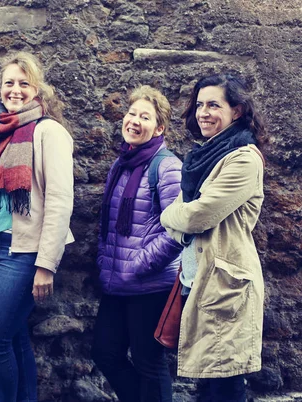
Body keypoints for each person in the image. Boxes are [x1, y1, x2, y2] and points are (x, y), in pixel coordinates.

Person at [0, 52, 74, 402]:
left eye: (24, 83)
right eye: (9, 83)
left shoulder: (48, 132)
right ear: (0, 88)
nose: (15, 90)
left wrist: (46, 265)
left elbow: (59, 201)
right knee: (14, 336)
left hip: (23, 253)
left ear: (37, 89)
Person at [160, 74, 265, 402]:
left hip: (226, 284)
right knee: (207, 378)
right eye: (200, 105)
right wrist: (182, 219)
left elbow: (195, 215)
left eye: (213, 105)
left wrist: (167, 218)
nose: (203, 112)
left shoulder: (243, 158)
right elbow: (189, 212)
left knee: (225, 379)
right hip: (197, 279)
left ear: (236, 111)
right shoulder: (203, 157)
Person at [91, 85, 183, 402]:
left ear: (159, 128)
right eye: (131, 113)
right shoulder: (121, 164)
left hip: (151, 284)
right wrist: (106, 262)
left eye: (145, 117)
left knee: (149, 364)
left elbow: (179, 230)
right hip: (117, 282)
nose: (134, 121)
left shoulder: (167, 167)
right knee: (104, 352)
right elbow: (108, 225)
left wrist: (140, 264)